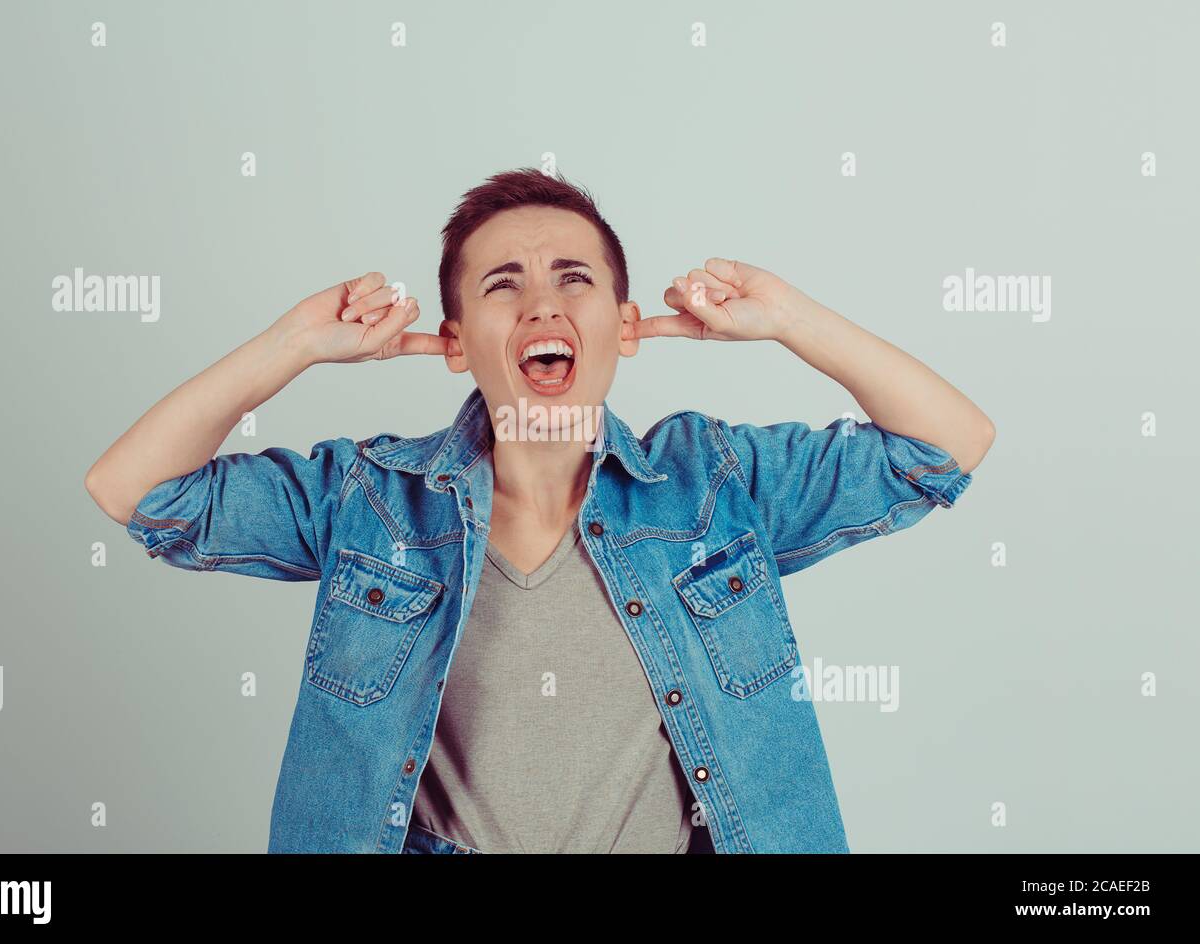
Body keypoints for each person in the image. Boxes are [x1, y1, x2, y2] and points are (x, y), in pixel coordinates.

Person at [84, 168, 995, 854]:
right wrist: (292, 345)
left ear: (624, 328)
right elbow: (137, 491)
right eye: (502, 285)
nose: (542, 304)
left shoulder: (716, 483)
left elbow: (945, 447)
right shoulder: (370, 501)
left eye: (574, 279)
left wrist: (791, 317)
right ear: (453, 343)